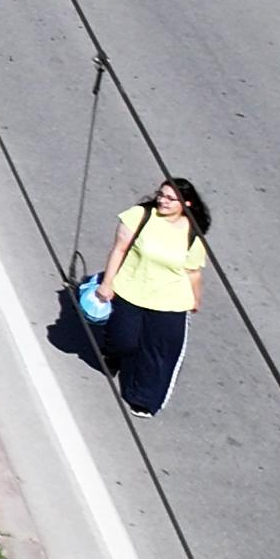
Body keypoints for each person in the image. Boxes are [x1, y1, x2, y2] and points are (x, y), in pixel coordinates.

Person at [91, 177, 211, 417]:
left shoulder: (192, 233)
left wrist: (195, 300)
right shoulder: (140, 216)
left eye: (170, 198)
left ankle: (144, 399)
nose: (162, 200)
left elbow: (193, 272)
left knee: (160, 353)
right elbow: (120, 249)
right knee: (122, 340)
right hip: (130, 290)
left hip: (169, 300)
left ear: (185, 203)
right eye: (161, 194)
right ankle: (114, 354)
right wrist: (107, 283)